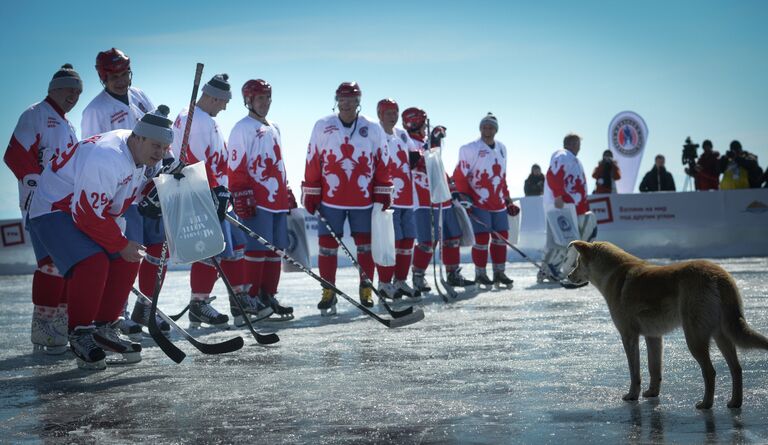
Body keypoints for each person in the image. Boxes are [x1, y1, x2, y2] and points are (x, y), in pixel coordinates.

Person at [26, 105, 174, 370]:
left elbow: (129, 196)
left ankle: (105, 327)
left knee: (128, 258)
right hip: (53, 209)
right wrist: (119, 243)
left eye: (164, 148)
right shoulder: (108, 157)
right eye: (155, 145)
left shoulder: (139, 153)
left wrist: (165, 183)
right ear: (138, 137)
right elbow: (85, 214)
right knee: (94, 262)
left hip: (85, 209)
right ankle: (80, 332)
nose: (160, 153)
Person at [81, 47, 164, 339]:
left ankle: (146, 305)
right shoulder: (95, 110)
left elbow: (159, 132)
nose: (121, 80)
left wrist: (165, 164)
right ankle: (119, 314)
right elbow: (93, 154)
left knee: (156, 248)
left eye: (125, 73)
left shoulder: (140, 96)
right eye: (114, 76)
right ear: (103, 77)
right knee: (127, 251)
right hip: (122, 191)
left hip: (149, 185)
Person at [3, 64, 82, 354]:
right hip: (40, 207)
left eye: (78, 91)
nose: (74, 95)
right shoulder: (35, 113)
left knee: (65, 265)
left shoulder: (67, 124)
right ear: (53, 88)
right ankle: (43, 328)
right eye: (69, 88)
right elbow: (14, 155)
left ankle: (59, 324)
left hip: (64, 207)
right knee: (50, 265)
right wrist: (38, 186)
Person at [302, 82, 393, 315]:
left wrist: (383, 189)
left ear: (358, 101)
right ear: (336, 101)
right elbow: (313, 157)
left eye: (351, 99)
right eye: (342, 99)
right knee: (327, 248)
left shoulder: (372, 126)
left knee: (365, 247)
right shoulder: (323, 125)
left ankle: (366, 289)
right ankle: (328, 290)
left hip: (362, 200)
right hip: (331, 199)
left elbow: (383, 159)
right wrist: (311, 190)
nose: (346, 103)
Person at [155, 74, 235, 329]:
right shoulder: (197, 120)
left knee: (212, 248)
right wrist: (213, 190)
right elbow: (196, 161)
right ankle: (198, 304)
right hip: (200, 191)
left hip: (207, 190)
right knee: (208, 247)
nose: (225, 106)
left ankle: (199, 302)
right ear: (212, 97)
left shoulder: (200, 117)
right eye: (223, 101)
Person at [229, 78, 296, 323]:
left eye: (267, 97)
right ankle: (252, 297)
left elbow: (278, 162)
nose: (265, 102)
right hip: (256, 199)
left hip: (276, 198)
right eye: (260, 98)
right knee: (256, 249)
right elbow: (235, 164)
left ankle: (268, 296)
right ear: (248, 100)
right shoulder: (242, 128)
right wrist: (240, 192)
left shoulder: (274, 126)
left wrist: (286, 189)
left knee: (275, 249)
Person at [405, 107, 473, 292]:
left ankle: (453, 273)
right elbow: (416, 160)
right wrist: (433, 143)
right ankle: (418, 276)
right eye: (423, 123)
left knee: (452, 237)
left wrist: (453, 190)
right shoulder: (407, 140)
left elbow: (439, 168)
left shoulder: (427, 142)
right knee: (427, 241)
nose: (426, 129)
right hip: (423, 199)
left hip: (441, 198)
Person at [453, 113, 518, 288]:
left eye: (490, 127)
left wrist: (508, 200)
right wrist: (464, 197)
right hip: (479, 201)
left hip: (498, 203)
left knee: (501, 238)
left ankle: (499, 272)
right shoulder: (470, 148)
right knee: (481, 239)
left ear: (495, 130)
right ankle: (480, 273)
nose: (486, 130)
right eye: (484, 127)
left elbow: (502, 177)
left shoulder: (502, 148)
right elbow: (459, 175)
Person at [373, 98, 419, 299]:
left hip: (408, 197)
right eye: (388, 112)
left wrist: (432, 144)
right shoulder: (376, 133)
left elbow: (416, 156)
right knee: (391, 241)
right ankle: (384, 282)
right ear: (380, 114)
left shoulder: (402, 134)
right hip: (388, 197)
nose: (392, 116)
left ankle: (400, 280)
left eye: (395, 112)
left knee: (408, 240)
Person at [539, 133, 595, 283]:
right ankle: (550, 269)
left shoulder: (573, 159)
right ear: (572, 144)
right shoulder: (562, 155)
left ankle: (547, 270)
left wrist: (582, 206)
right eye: (578, 144)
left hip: (570, 207)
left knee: (561, 240)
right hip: (560, 207)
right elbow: (553, 175)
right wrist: (558, 196)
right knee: (561, 239)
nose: (579, 147)